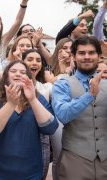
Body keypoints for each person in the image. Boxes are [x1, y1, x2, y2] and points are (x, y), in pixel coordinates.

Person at [0, 60, 58, 180]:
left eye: (23, 72)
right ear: (6, 76)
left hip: (31, 173)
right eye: (13, 71)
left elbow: (50, 128)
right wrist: (11, 103)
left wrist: (32, 99)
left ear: (28, 78)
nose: (18, 74)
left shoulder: (38, 98)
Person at [52, 35, 107, 180]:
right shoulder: (62, 84)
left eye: (91, 52)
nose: (87, 57)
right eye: (82, 53)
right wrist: (89, 96)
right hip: (75, 159)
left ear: (99, 56)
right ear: (74, 57)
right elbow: (62, 115)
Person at [21, 49, 53, 179]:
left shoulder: (47, 88)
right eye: (30, 59)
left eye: (38, 60)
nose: (34, 63)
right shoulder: (13, 86)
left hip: (41, 139)